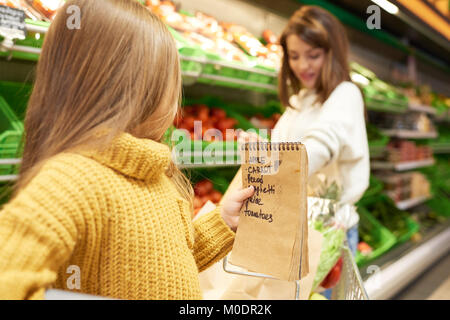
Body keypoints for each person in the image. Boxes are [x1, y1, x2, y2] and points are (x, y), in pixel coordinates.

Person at [0, 0, 254, 300]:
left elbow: (160, 266)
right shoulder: (72, 180)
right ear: (135, 92)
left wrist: (222, 221)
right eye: (171, 86)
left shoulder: (159, 178)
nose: (176, 102)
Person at [273, 5, 370, 208]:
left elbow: (321, 146)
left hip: (328, 226)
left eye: (313, 56)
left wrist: (272, 179)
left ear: (332, 53)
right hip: (294, 218)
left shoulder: (346, 93)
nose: (302, 66)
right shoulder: (300, 100)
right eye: (294, 56)